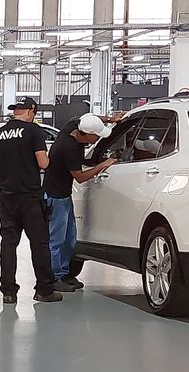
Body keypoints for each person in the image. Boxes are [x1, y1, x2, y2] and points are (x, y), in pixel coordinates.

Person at [0, 97, 62, 304]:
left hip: (6, 198)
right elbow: (43, 163)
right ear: (31, 111)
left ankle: (8, 292)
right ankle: (44, 290)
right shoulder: (34, 131)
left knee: (8, 244)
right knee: (39, 244)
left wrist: (9, 168)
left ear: (15, 112)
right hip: (29, 197)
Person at [42, 114, 115, 292]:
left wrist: (111, 119)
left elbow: (89, 118)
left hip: (63, 196)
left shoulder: (73, 127)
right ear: (88, 135)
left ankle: (65, 274)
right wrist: (102, 165)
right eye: (97, 135)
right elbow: (80, 177)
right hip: (55, 197)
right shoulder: (69, 148)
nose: (98, 139)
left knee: (69, 239)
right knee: (57, 239)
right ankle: (54, 278)